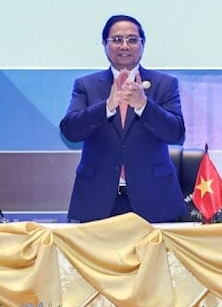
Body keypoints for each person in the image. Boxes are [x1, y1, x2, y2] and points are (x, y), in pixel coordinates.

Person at [59, 14, 187, 223]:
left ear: (143, 44)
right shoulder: (86, 85)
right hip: (97, 201)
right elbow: (70, 131)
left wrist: (143, 105)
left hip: (155, 199)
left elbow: (176, 133)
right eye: (117, 40)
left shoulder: (165, 84)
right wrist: (107, 107)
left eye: (132, 39)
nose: (125, 46)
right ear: (104, 44)